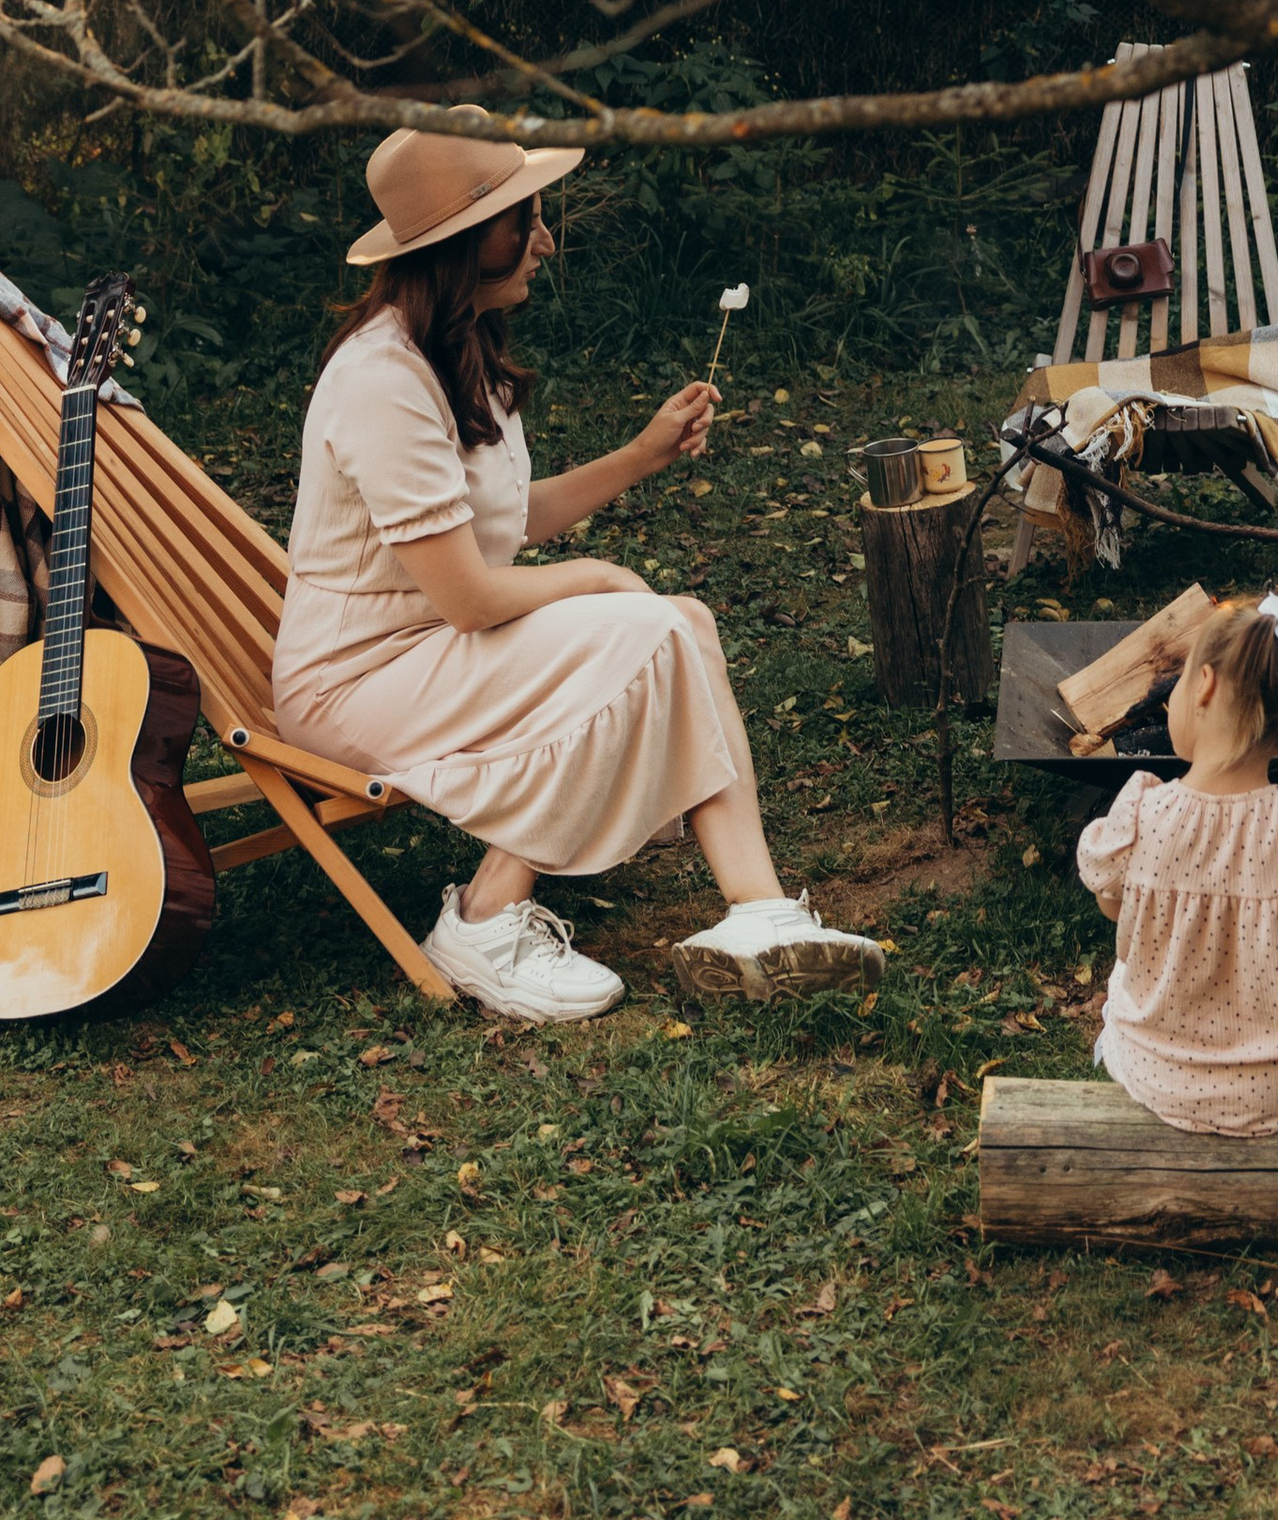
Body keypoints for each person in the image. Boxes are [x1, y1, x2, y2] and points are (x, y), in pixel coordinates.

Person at [274, 125, 884, 1021]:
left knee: (686, 623)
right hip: (356, 683)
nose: (546, 238)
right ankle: (483, 920)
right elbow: (470, 595)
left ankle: (758, 912)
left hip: (430, 650)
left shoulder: (457, 353)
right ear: (463, 244)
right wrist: (601, 576)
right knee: (643, 626)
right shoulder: (383, 380)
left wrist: (641, 455)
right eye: (526, 218)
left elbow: (501, 522)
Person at [1075, 599, 1278, 1134]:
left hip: (1159, 1074)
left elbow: (1112, 910)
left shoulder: (1143, 810)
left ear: (1205, 686)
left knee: (1126, 972)